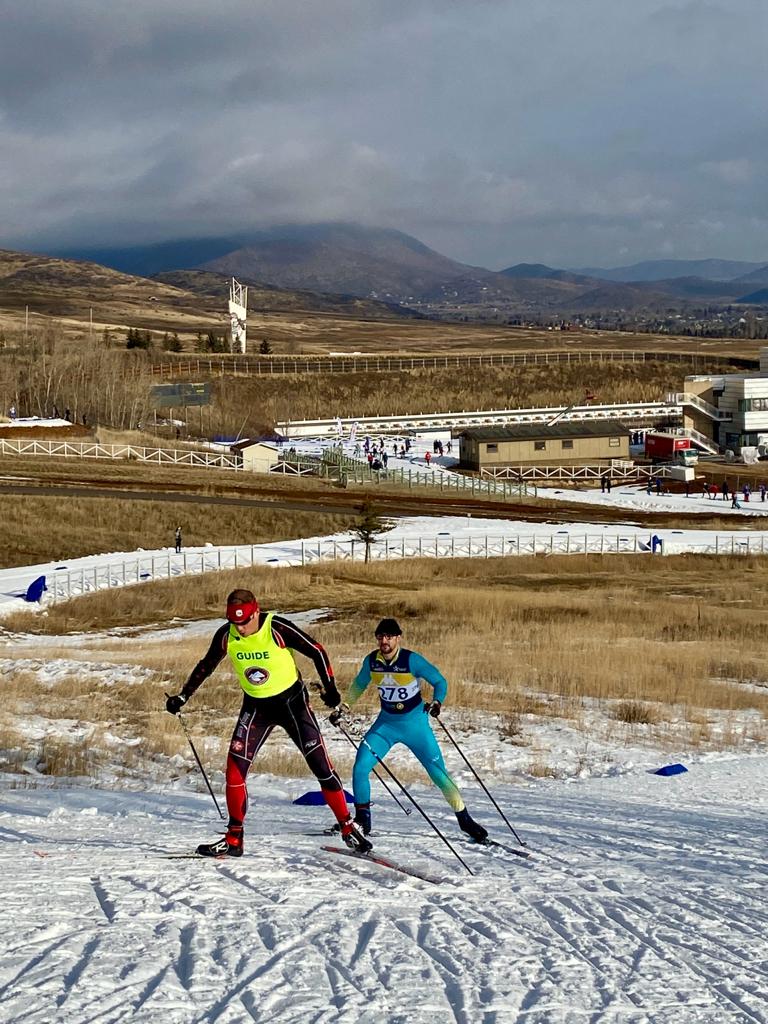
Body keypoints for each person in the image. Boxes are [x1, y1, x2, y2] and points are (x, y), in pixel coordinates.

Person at [165, 589, 371, 857]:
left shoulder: (276, 627)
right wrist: (183, 695)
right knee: (234, 771)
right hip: (256, 707)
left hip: (292, 705)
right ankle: (234, 838)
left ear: (256, 611)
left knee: (321, 766)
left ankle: (347, 827)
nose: (241, 628)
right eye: (235, 622)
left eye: (245, 621)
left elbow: (317, 651)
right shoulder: (227, 635)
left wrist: (331, 689)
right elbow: (206, 665)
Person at [332, 618, 488, 843]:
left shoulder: (411, 660)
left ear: (397, 638)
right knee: (360, 767)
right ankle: (363, 822)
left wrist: (437, 702)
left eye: (388, 637)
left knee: (439, 774)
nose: (384, 641)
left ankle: (465, 820)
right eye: (380, 637)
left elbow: (440, 681)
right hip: (386, 724)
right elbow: (359, 684)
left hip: (415, 725)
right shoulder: (372, 661)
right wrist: (344, 707)